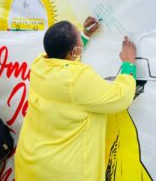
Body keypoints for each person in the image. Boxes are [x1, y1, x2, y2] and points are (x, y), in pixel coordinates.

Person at [15, 19, 137, 181]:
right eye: (79, 41)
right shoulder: (77, 79)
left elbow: (63, 63)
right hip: (60, 173)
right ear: (74, 52)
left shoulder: (39, 64)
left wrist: (84, 36)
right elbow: (120, 97)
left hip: (30, 163)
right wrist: (128, 63)